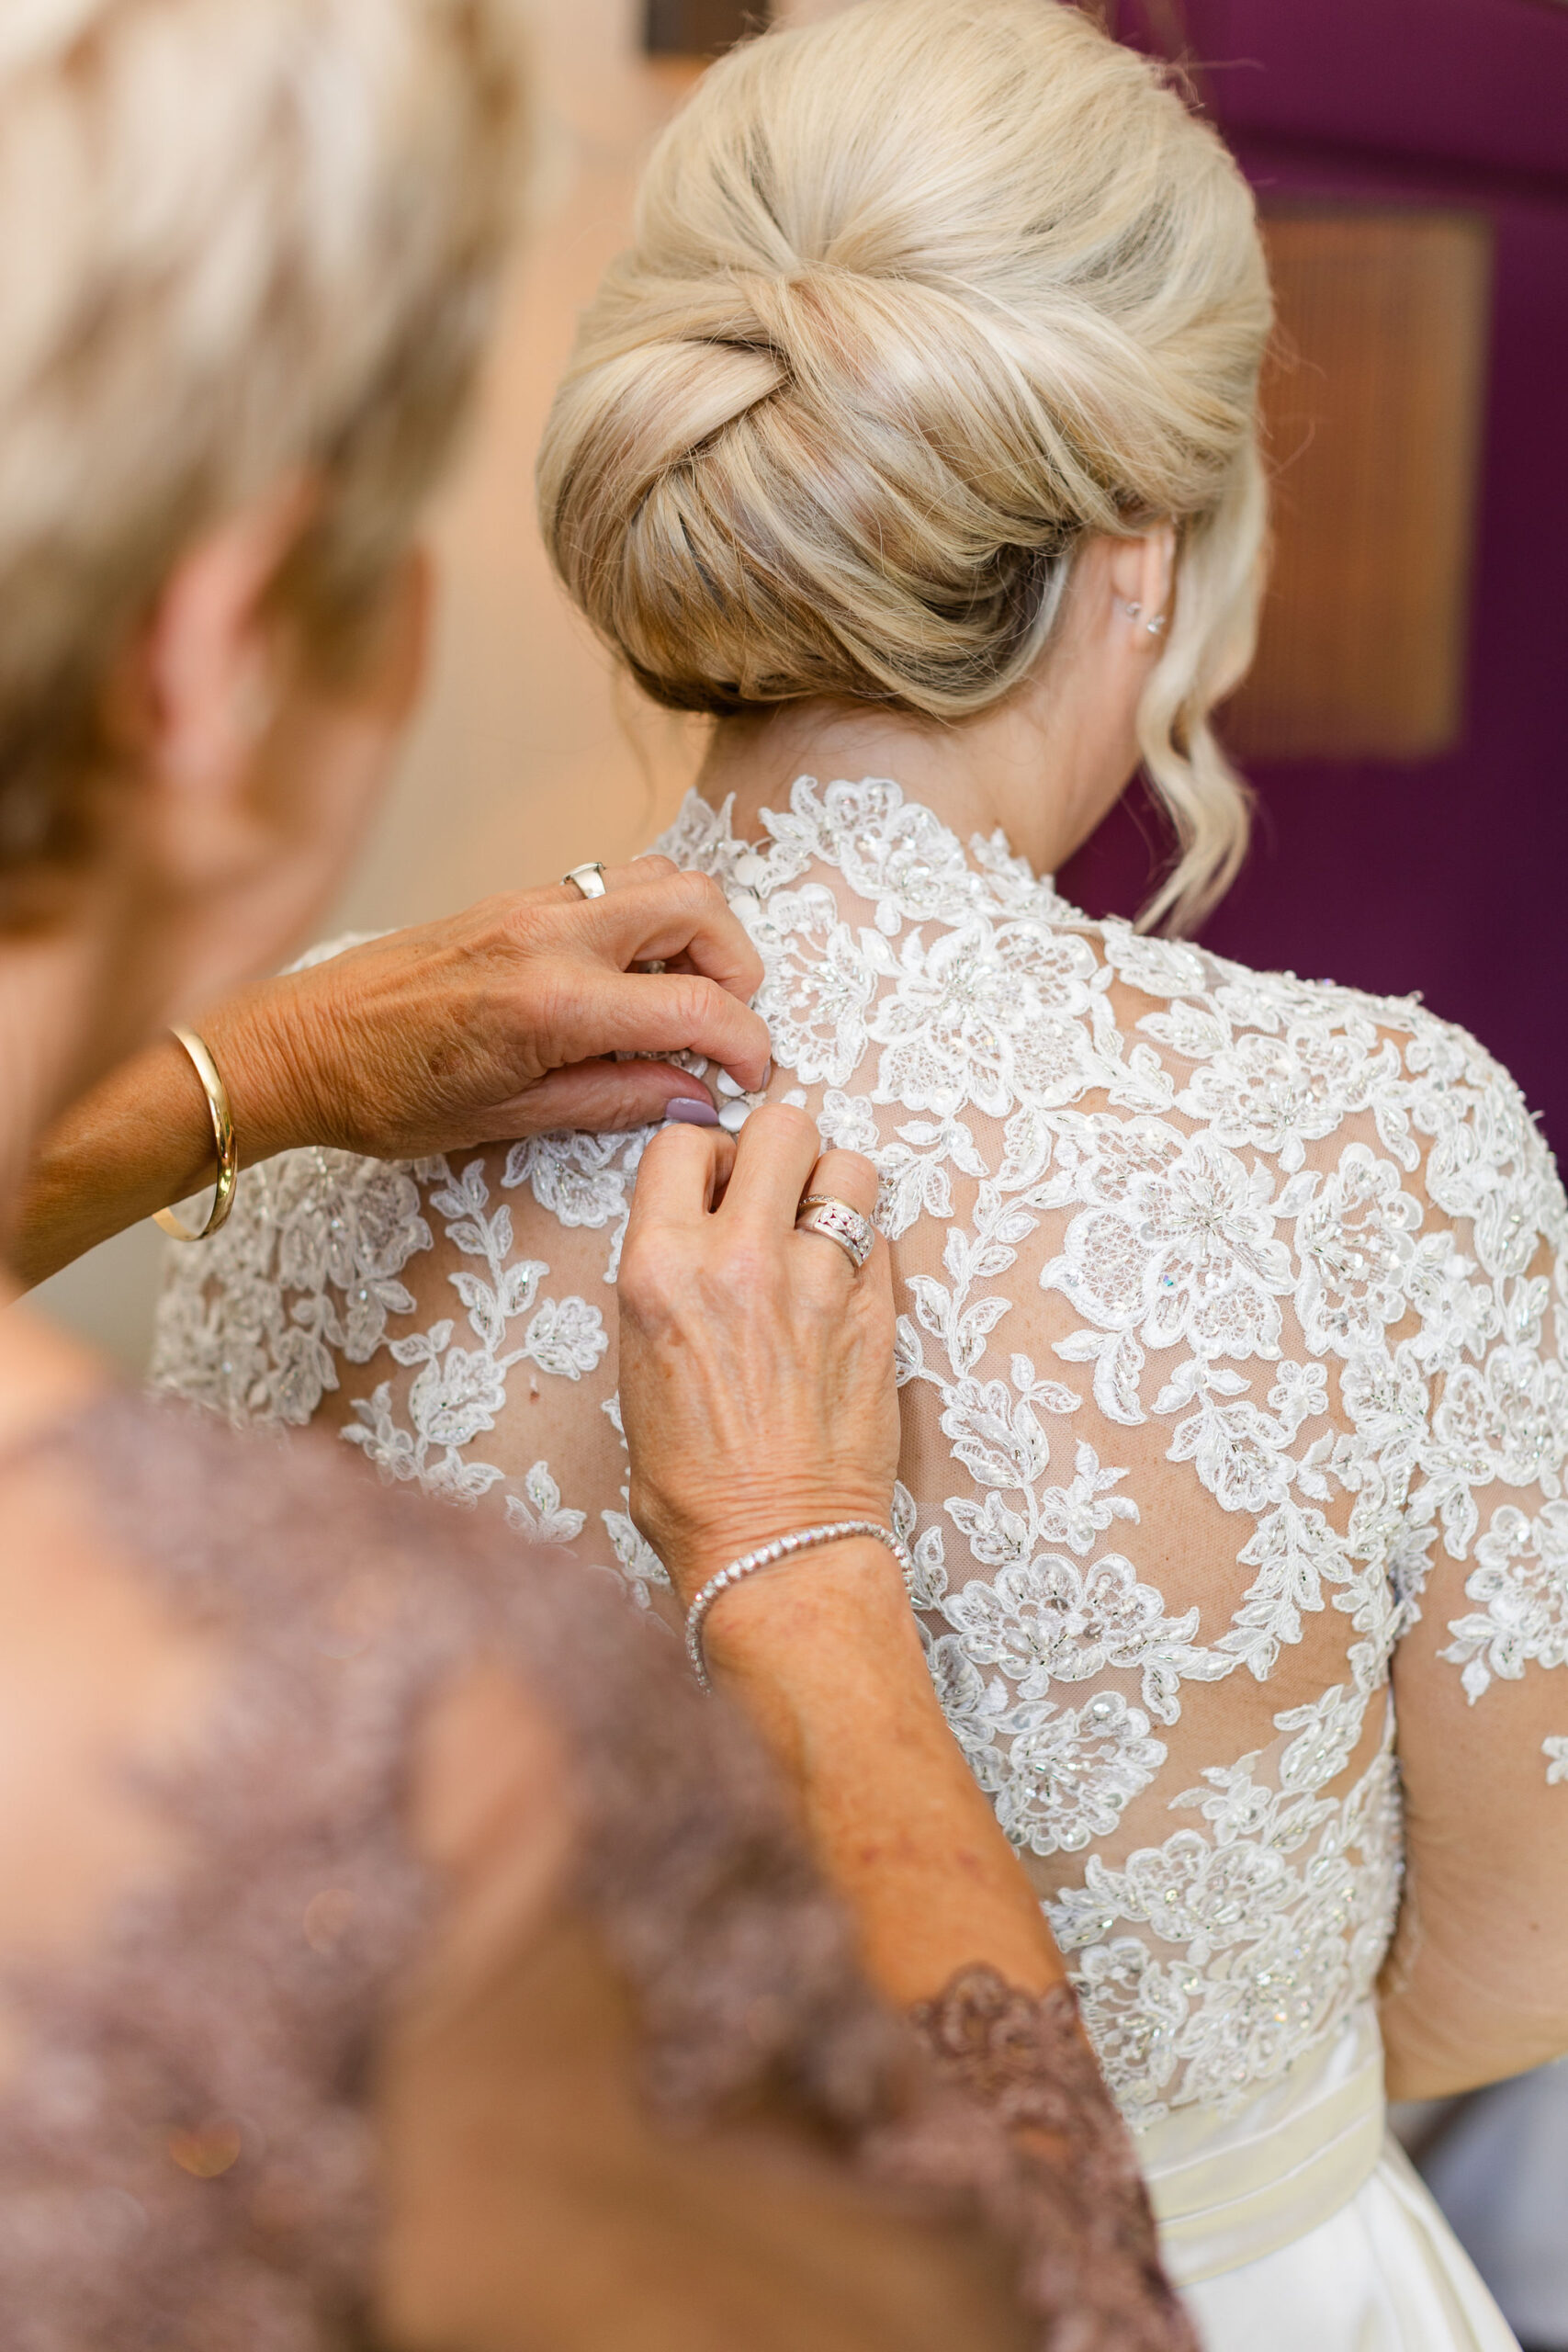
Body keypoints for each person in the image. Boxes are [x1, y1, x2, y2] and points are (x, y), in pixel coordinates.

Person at [154, 4, 1568, 2348]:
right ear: (1143, 545)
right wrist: (1231, 2119)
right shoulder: (1384, 1151)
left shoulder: (319, 1081)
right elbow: (1520, 1936)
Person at [0, 0, 1199, 2345]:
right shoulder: (362, 1732)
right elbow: (1055, 2312)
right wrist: (796, 1565)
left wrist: (252, 1071)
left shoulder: (305, 1131)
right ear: (228, 673)